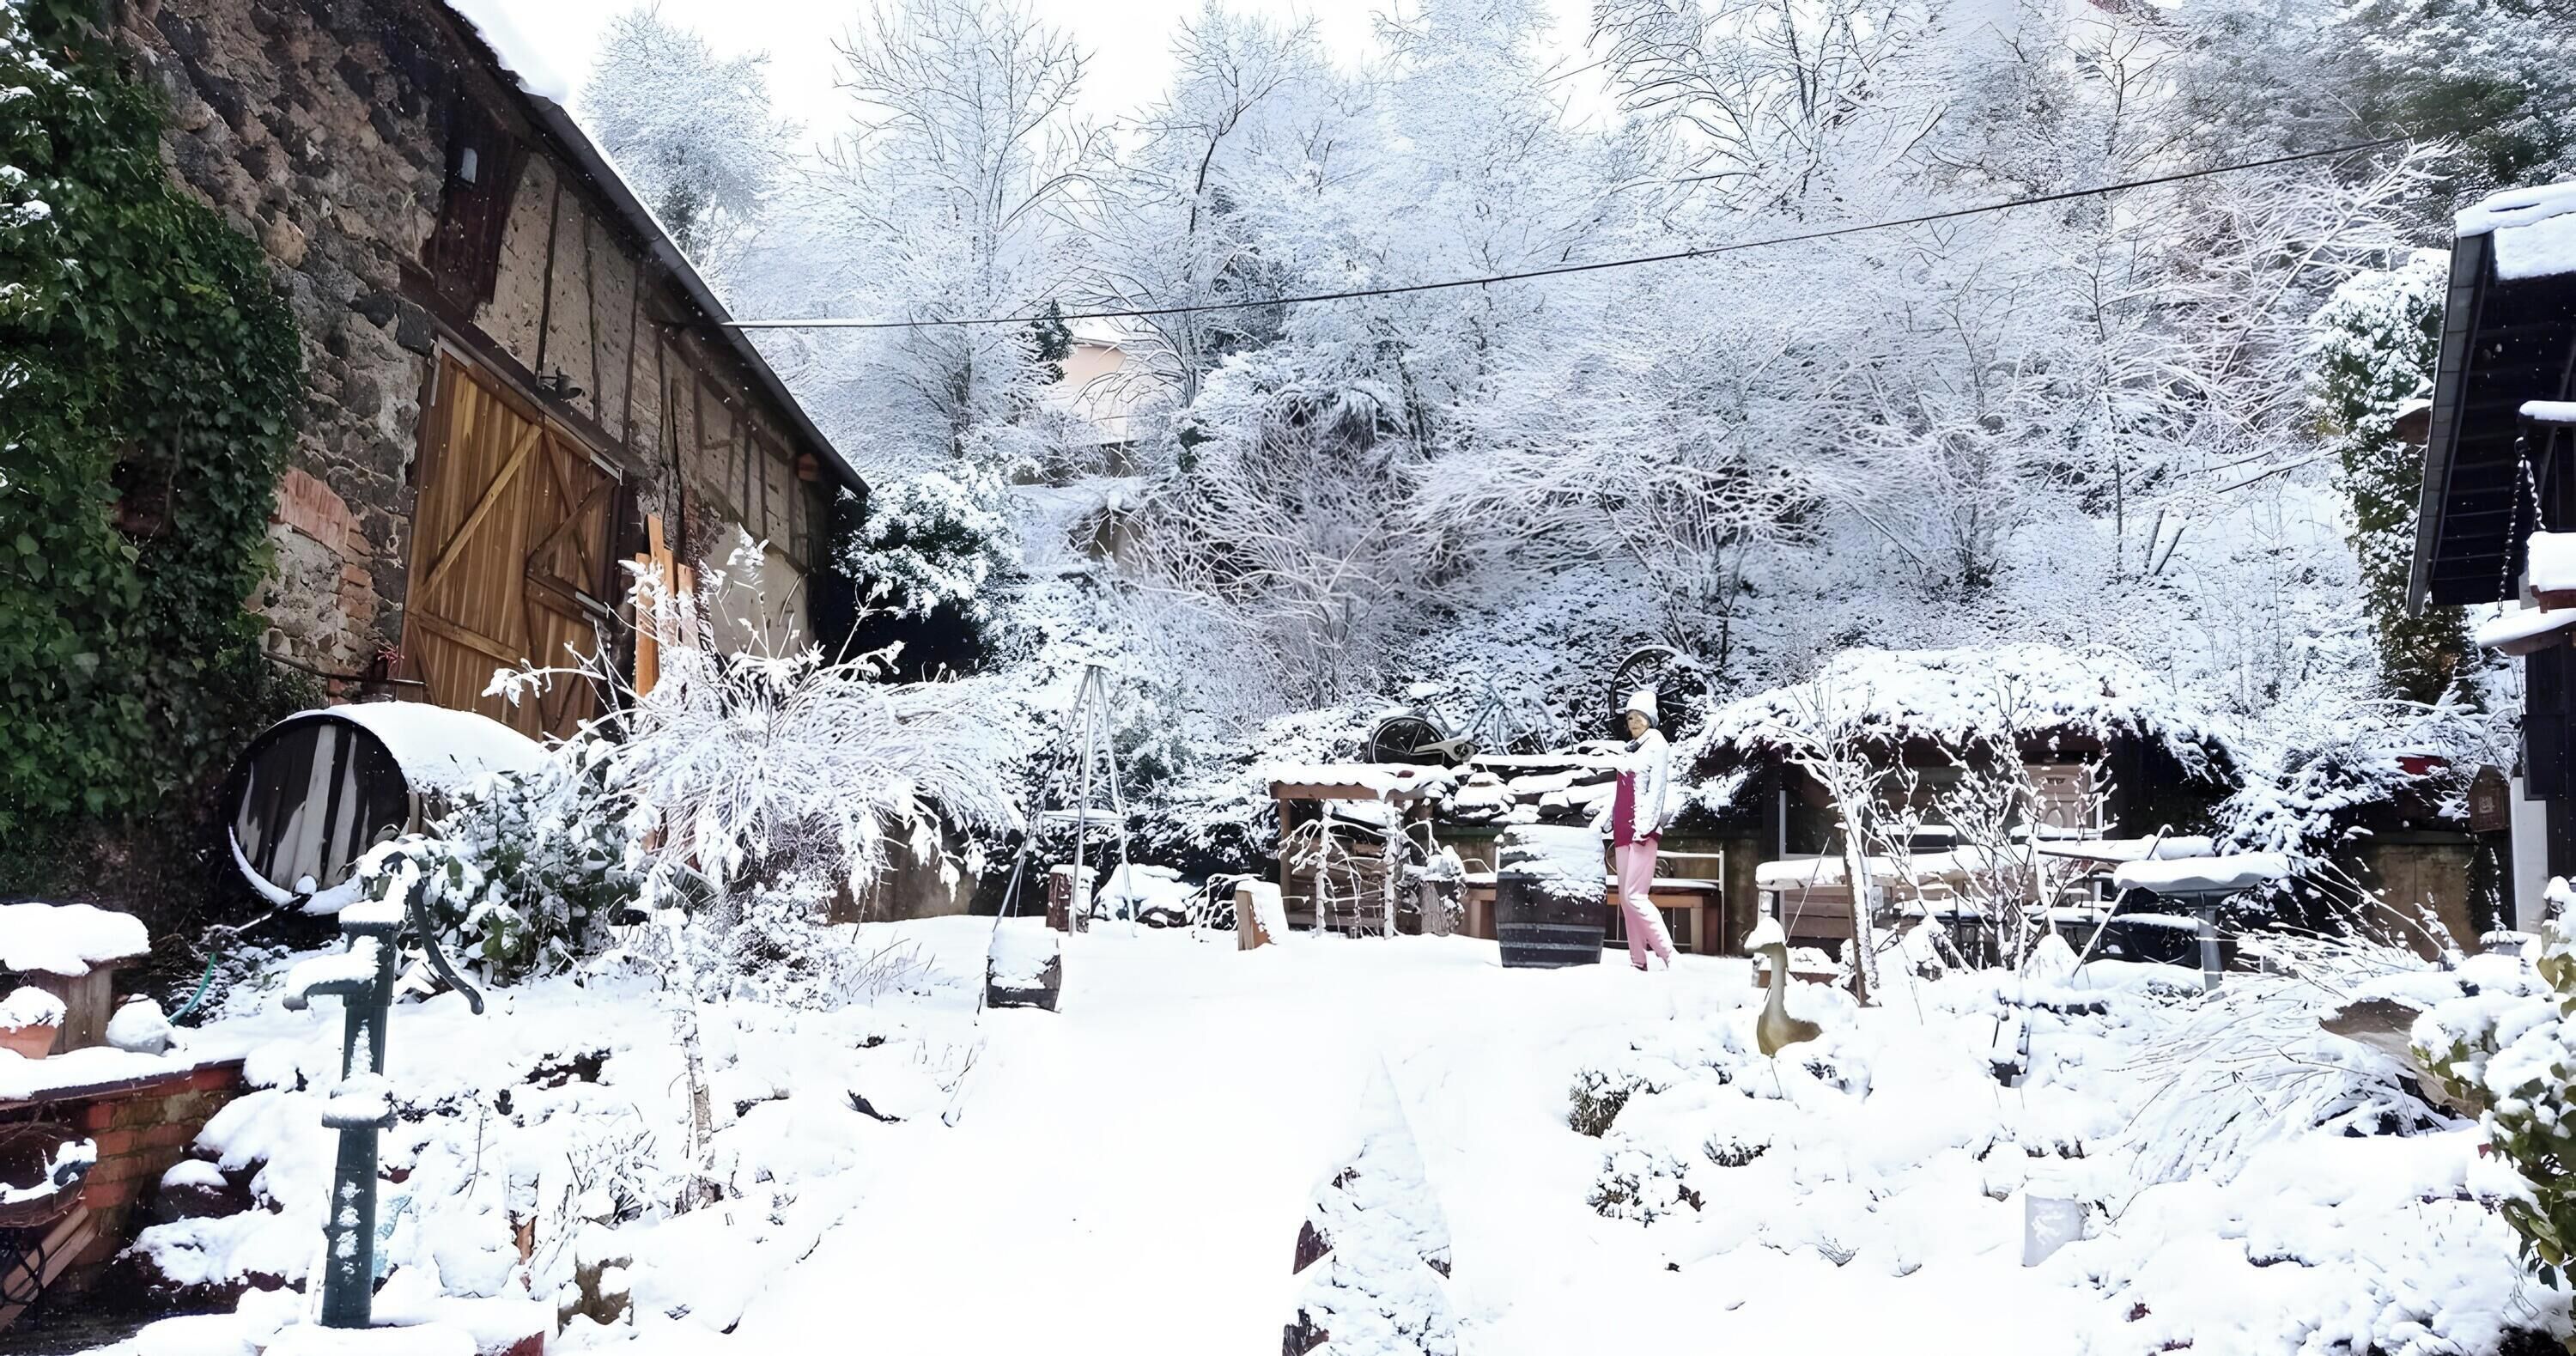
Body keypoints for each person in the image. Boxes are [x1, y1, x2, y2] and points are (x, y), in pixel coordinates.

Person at [1602, 688, 1678, 970]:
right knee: (1626, 898)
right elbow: (1622, 792)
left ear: (1651, 719)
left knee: (1636, 895)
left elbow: (1656, 788)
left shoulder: (1657, 744)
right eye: (1630, 717)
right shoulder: (1629, 750)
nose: (1633, 722)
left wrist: (1645, 826)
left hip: (1640, 831)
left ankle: (1670, 956)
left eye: (1639, 717)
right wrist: (1609, 819)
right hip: (1622, 831)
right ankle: (1637, 960)